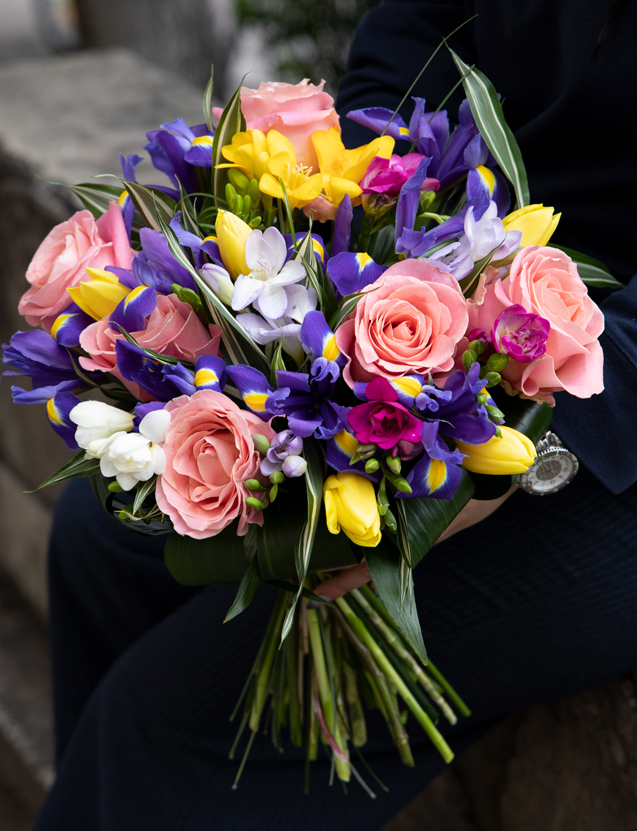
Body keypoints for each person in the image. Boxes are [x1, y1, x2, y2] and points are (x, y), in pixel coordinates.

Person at [32, 1, 637, 828]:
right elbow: (417, 29)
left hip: (608, 420)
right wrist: (344, 199)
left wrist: (514, 453)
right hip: (470, 291)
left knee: (167, 725)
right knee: (103, 536)